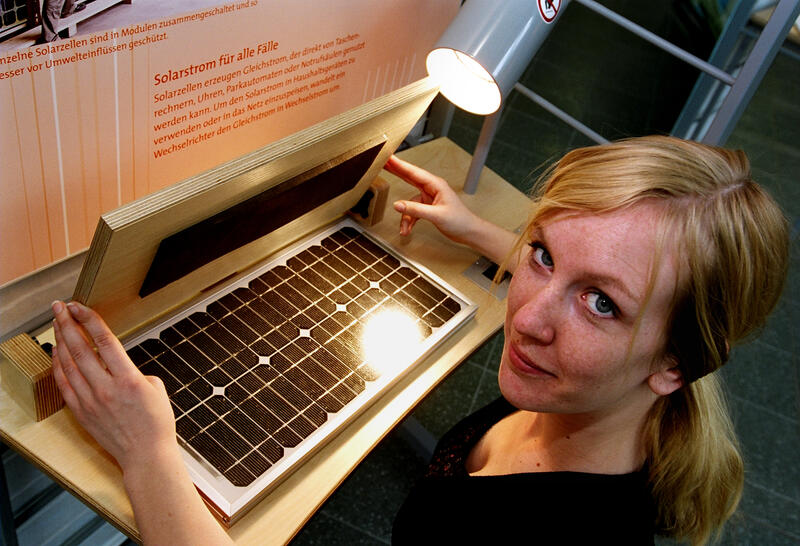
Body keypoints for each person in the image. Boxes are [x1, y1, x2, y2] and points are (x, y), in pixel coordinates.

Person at [50, 135, 789, 545]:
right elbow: (585, 276)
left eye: (600, 304)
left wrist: (149, 455)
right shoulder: (595, 399)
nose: (526, 320)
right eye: (543, 255)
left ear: (675, 365)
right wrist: (486, 234)